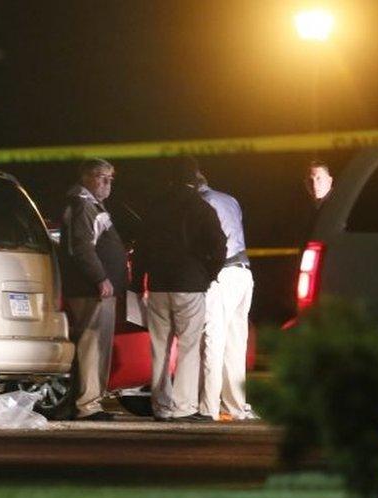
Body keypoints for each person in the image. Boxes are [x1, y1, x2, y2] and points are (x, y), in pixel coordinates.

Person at [135, 157, 226, 422]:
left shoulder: (155, 207)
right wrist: (209, 274)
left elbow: (142, 247)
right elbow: (219, 246)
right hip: (190, 284)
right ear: (196, 179)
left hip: (159, 285)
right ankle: (183, 406)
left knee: (159, 347)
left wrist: (138, 282)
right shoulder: (202, 208)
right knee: (188, 345)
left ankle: (160, 406)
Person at [186, 160, 256, 421]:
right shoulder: (230, 199)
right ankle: (236, 407)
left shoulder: (199, 204)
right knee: (236, 344)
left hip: (221, 275)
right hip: (243, 273)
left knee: (213, 342)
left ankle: (209, 408)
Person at [59, 158, 128, 421]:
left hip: (96, 290)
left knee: (95, 345)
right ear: (86, 177)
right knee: (92, 345)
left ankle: (89, 401)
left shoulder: (91, 205)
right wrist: (100, 278)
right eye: (102, 177)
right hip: (91, 290)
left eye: (111, 178)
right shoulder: (83, 205)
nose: (108, 183)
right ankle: (88, 404)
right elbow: (82, 247)